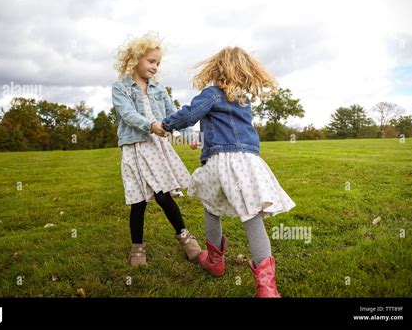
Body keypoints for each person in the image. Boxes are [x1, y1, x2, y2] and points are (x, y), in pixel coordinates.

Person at [160, 47, 296, 297]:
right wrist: (202, 138)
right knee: (252, 216)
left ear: (217, 69)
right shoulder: (244, 100)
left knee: (211, 208)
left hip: (219, 163)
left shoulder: (212, 94)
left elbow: (189, 115)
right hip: (247, 163)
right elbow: (226, 128)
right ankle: (267, 287)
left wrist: (165, 125)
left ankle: (214, 261)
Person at [112, 32, 201, 267]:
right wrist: (150, 125)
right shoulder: (121, 88)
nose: (155, 67)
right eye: (151, 61)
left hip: (156, 147)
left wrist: (190, 135)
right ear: (135, 59)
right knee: (138, 201)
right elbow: (128, 114)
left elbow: (174, 115)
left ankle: (185, 237)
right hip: (134, 146)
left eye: (158, 63)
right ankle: (137, 248)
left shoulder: (159, 89)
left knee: (163, 195)